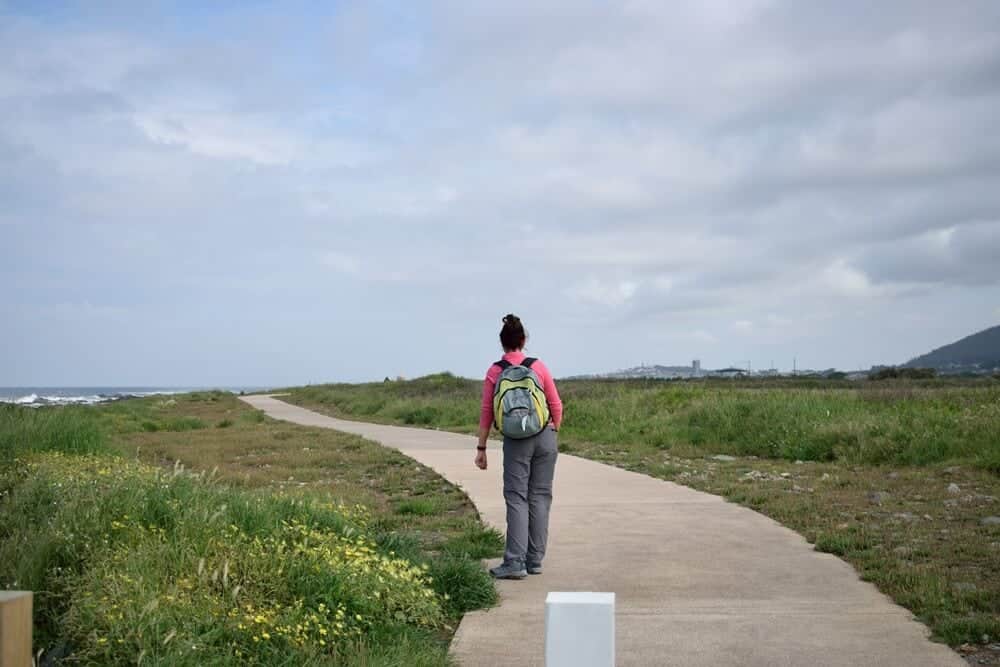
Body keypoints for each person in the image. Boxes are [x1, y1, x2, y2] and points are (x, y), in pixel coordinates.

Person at [476, 314, 563, 579]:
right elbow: (556, 404)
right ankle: (534, 560)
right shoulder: (539, 366)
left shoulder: (495, 371)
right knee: (540, 496)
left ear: (502, 343)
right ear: (523, 340)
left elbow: (487, 411)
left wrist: (481, 448)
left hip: (516, 440)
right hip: (544, 434)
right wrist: (552, 429)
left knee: (516, 497)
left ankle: (515, 562)